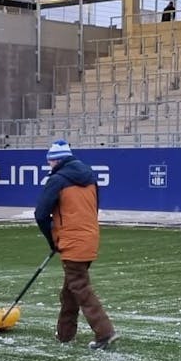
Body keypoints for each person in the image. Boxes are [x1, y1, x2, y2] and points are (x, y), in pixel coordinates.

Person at [35, 140, 118, 350]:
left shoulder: (57, 180)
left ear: (57, 160)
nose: (49, 165)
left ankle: (105, 332)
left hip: (72, 241)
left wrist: (53, 239)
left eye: (50, 161)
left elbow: (41, 214)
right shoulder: (90, 177)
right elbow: (93, 209)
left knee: (79, 287)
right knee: (70, 289)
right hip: (89, 238)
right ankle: (65, 334)